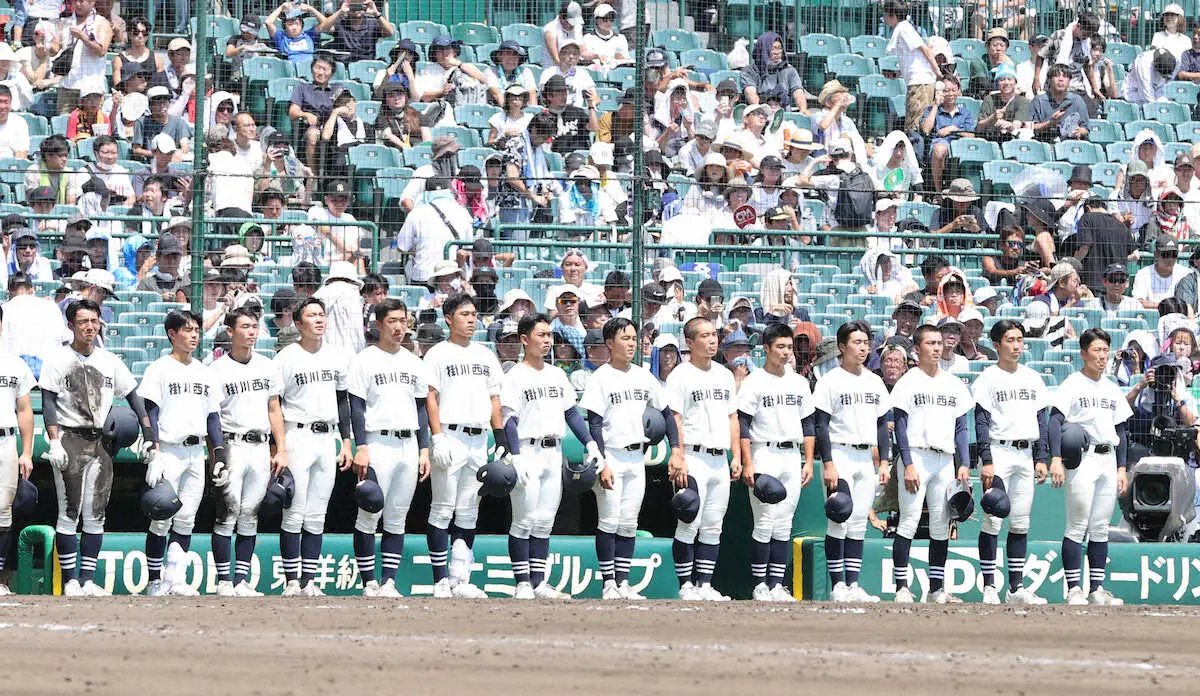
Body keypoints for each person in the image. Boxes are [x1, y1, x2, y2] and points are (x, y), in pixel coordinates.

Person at [40, 299, 149, 596]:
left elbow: (133, 395)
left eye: (94, 321)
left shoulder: (110, 360)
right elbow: (48, 403)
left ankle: (87, 579)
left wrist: (148, 431)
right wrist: (53, 440)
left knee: (96, 513)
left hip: (101, 441)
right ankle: (71, 580)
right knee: (69, 512)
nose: (90, 326)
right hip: (70, 438)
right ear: (71, 325)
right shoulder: (57, 359)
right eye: (83, 321)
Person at [500, 313, 599, 599]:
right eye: (541, 335)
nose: (546, 340)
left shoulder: (557, 374)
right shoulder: (515, 375)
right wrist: (516, 455)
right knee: (523, 519)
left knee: (544, 520)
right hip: (527, 450)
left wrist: (590, 442)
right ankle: (522, 583)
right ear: (524, 339)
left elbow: (571, 413)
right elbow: (509, 419)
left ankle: (539, 582)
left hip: (552, 451)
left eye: (549, 335)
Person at [580, 317, 672, 599]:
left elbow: (666, 412)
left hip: (636, 457)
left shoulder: (643, 375)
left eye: (633, 338)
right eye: (625, 338)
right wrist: (602, 461)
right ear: (609, 343)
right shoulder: (600, 377)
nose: (631, 343)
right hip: (612, 456)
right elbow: (594, 423)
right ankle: (609, 582)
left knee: (629, 522)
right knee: (609, 520)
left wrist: (677, 447)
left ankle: (623, 582)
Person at [424, 294, 509, 598]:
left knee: (469, 511)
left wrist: (500, 438)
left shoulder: (485, 355)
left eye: (474, 314)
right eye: (464, 314)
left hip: (478, 438)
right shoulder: (437, 353)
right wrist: (436, 436)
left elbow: (495, 398)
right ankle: (439, 581)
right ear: (448, 318)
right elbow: (430, 396)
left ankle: (460, 577)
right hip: (450, 434)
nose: (471, 319)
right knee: (443, 509)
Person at [138, 310, 227, 596]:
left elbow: (213, 417)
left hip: (195, 450)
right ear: (171, 334)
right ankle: (154, 581)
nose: (193, 335)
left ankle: (175, 579)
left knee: (186, 518)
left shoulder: (205, 371)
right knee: (161, 516)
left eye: (196, 331)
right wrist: (153, 447)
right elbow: (149, 410)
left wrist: (220, 454)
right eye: (187, 330)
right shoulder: (160, 368)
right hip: (169, 449)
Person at [347, 298, 430, 598]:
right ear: (379, 324)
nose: (398, 327)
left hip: (408, 443)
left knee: (397, 516)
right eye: (392, 321)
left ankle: (389, 581)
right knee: (369, 512)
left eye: (402, 320)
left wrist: (424, 449)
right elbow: (355, 407)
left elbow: (421, 409)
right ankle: (369, 580)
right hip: (377, 440)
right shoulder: (365, 359)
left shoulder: (413, 362)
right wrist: (362, 446)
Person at [274, 298, 353, 596]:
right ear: (298, 323)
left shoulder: (337, 356)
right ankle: (292, 580)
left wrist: (346, 441)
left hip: (327, 436)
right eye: (312, 315)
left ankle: (309, 581)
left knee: (317, 513)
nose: (319, 319)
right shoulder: (285, 358)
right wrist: (278, 446)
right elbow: (274, 405)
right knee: (294, 510)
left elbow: (343, 401)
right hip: (298, 435)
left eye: (322, 314)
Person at [889, 324, 972, 604]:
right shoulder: (908, 381)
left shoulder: (953, 383)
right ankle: (902, 586)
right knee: (909, 520)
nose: (937, 348)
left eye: (939, 343)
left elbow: (962, 427)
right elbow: (900, 425)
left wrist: (964, 463)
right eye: (930, 343)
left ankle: (936, 588)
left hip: (945, 458)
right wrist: (908, 463)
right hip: (917, 455)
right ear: (917, 348)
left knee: (940, 523)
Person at [208, 307, 288, 597]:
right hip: (232, 444)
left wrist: (281, 449)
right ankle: (224, 581)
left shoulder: (267, 366)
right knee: (227, 513)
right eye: (245, 326)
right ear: (230, 331)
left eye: (254, 326)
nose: (251, 331)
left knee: (250, 514)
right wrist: (216, 455)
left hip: (259, 445)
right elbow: (212, 416)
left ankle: (241, 580)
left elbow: (274, 408)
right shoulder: (217, 369)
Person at [1049, 328, 1131, 605]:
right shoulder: (1073, 383)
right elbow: (1054, 421)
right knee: (1076, 525)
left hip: (1108, 459)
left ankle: (1096, 588)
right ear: (1083, 353)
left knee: (1100, 527)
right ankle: (1074, 588)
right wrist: (1056, 458)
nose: (1102, 356)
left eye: (1106, 350)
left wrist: (1122, 468)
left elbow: (1122, 430)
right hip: (1083, 459)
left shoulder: (1111, 387)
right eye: (1097, 350)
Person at [972, 319, 1050, 605]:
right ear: (996, 344)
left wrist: (1041, 457)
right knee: (993, 519)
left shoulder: (1032, 377)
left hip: (1025, 453)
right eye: (1010, 340)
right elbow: (981, 422)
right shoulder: (988, 378)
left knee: (1020, 522)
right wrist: (987, 460)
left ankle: (1015, 588)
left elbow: (1041, 419)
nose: (1016, 345)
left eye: (1019, 339)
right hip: (999, 451)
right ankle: (990, 586)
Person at [738, 323, 814, 602]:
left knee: (784, 523)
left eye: (788, 347)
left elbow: (808, 425)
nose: (785, 352)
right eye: (779, 347)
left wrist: (807, 461)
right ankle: (760, 584)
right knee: (765, 521)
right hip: (764, 452)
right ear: (766, 349)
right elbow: (743, 425)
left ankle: (776, 584)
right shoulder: (754, 382)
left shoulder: (799, 383)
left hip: (791, 454)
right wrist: (748, 463)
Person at [815, 321, 891, 603]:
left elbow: (883, 424)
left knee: (858, 522)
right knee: (839, 517)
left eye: (866, 343)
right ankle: (837, 586)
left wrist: (883, 461)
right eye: (857, 342)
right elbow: (821, 425)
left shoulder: (874, 381)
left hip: (864, 457)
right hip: (840, 452)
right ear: (843, 346)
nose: (863, 347)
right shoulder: (830, 381)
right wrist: (828, 463)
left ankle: (853, 583)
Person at [665, 317, 739, 602]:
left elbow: (733, 417)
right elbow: (675, 418)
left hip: (720, 458)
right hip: (693, 456)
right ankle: (686, 585)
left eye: (714, 335)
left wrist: (736, 456)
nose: (712, 340)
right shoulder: (680, 376)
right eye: (705, 336)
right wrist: (678, 455)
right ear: (690, 342)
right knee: (689, 520)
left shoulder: (724, 374)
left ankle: (705, 584)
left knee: (713, 524)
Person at [0, 302, 33, 596]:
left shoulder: (14, 364)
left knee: (2, 511)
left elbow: (24, 410)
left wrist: (27, 451)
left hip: (5, 441)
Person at [883, 0, 941, 133]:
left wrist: (937, 72)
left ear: (893, 15)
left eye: (885, 14)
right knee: (913, 122)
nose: (884, 18)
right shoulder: (902, 28)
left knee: (915, 124)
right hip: (916, 82)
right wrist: (898, 74)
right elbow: (913, 58)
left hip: (920, 83)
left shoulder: (904, 28)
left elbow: (925, 50)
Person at [919, 77, 976, 194]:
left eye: (953, 90)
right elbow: (925, 129)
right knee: (939, 149)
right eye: (946, 91)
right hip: (940, 144)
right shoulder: (930, 110)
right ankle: (939, 192)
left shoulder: (965, 113)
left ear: (958, 91)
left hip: (961, 145)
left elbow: (972, 136)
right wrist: (936, 105)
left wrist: (954, 130)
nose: (950, 94)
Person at [56, 0, 112, 116]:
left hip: (92, 89)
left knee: (92, 129)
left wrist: (82, 37)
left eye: (81, 1)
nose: (78, 4)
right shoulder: (65, 22)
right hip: (68, 86)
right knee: (64, 128)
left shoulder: (102, 23)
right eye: (74, 1)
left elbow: (101, 51)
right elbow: (54, 50)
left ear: (92, 2)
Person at [1034, 11, 1099, 96]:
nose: (1086, 37)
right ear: (1078, 26)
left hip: (1078, 88)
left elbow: (1087, 65)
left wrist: (1094, 88)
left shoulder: (1086, 43)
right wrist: (1036, 78)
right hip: (1056, 85)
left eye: (1089, 35)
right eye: (1085, 34)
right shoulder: (1058, 36)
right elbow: (1040, 56)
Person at [741, 31, 806, 112]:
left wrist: (803, 111)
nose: (777, 52)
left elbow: (798, 91)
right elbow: (750, 93)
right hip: (761, 114)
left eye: (779, 48)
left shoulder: (789, 70)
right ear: (763, 50)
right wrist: (763, 114)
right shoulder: (749, 71)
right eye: (773, 49)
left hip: (784, 113)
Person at [317, 0, 394, 64]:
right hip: (345, 63)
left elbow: (390, 32)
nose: (357, 9)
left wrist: (376, 13)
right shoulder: (340, 23)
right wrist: (340, 11)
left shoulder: (372, 23)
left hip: (367, 64)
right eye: (353, 6)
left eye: (360, 5)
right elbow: (323, 29)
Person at [1029, 65, 1089, 142]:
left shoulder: (1077, 100)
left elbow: (1086, 128)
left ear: (1069, 81)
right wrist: (1050, 124)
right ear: (1049, 80)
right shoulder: (1038, 101)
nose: (1061, 79)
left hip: (1069, 144)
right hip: (1044, 143)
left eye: (1065, 76)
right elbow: (1030, 127)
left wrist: (1079, 131)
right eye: (1056, 76)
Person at [1133, 234, 1190, 309]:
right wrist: (1167, 307)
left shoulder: (1186, 273)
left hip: (1179, 317)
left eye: (1173, 254)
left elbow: (1190, 304)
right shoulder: (1143, 274)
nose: (1170, 259)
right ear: (1156, 254)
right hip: (1152, 317)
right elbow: (1138, 301)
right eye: (1165, 254)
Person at [976, 64, 1029, 142]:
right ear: (997, 83)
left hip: (1012, 140)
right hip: (990, 139)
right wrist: (992, 118)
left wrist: (1007, 125)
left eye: (1009, 79)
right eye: (1002, 80)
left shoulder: (1021, 101)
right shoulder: (989, 99)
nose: (1006, 83)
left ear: (1015, 82)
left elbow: (1017, 124)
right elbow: (979, 127)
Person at [581, 4, 629, 76]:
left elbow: (625, 61)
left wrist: (620, 58)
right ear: (596, 20)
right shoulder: (588, 38)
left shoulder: (620, 38)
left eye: (611, 18)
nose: (609, 22)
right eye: (605, 19)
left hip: (617, 77)